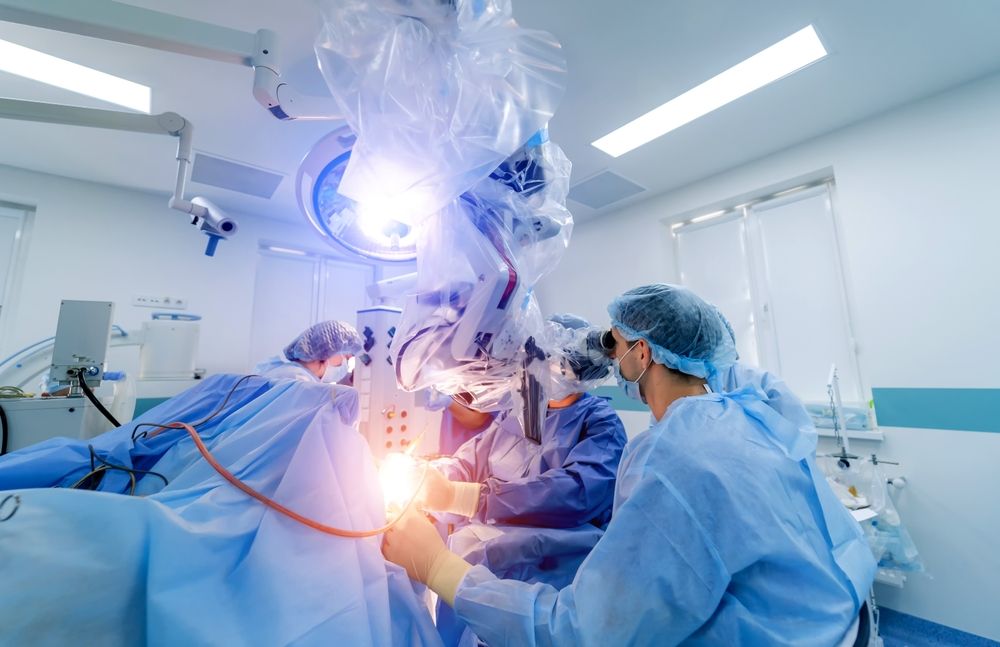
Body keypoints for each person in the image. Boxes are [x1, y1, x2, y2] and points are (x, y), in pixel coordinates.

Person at [384, 284, 876, 646]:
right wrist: (444, 475)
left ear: (642, 353)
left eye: (613, 346)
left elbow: (581, 633)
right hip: (837, 617)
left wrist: (436, 565)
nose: (607, 359)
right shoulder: (753, 413)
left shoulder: (675, 455)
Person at [254, 320, 362, 383]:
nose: (345, 365)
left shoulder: (285, 371)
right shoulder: (299, 381)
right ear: (327, 352)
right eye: (347, 359)